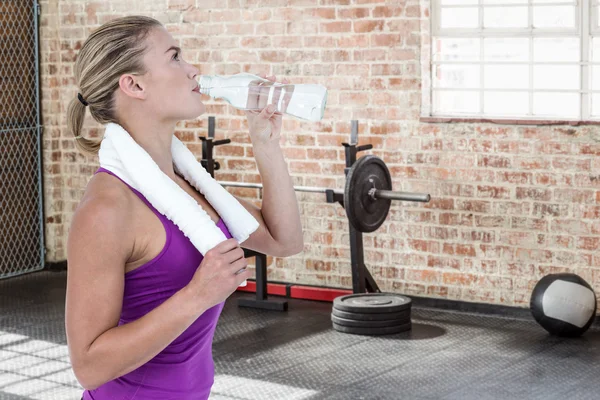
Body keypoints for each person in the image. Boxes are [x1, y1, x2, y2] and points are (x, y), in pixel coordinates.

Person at [65, 15, 304, 400]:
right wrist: (198, 294)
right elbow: (89, 367)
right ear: (134, 84)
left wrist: (265, 143)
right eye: (175, 57)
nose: (193, 69)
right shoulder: (107, 208)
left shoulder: (187, 187)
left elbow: (284, 239)